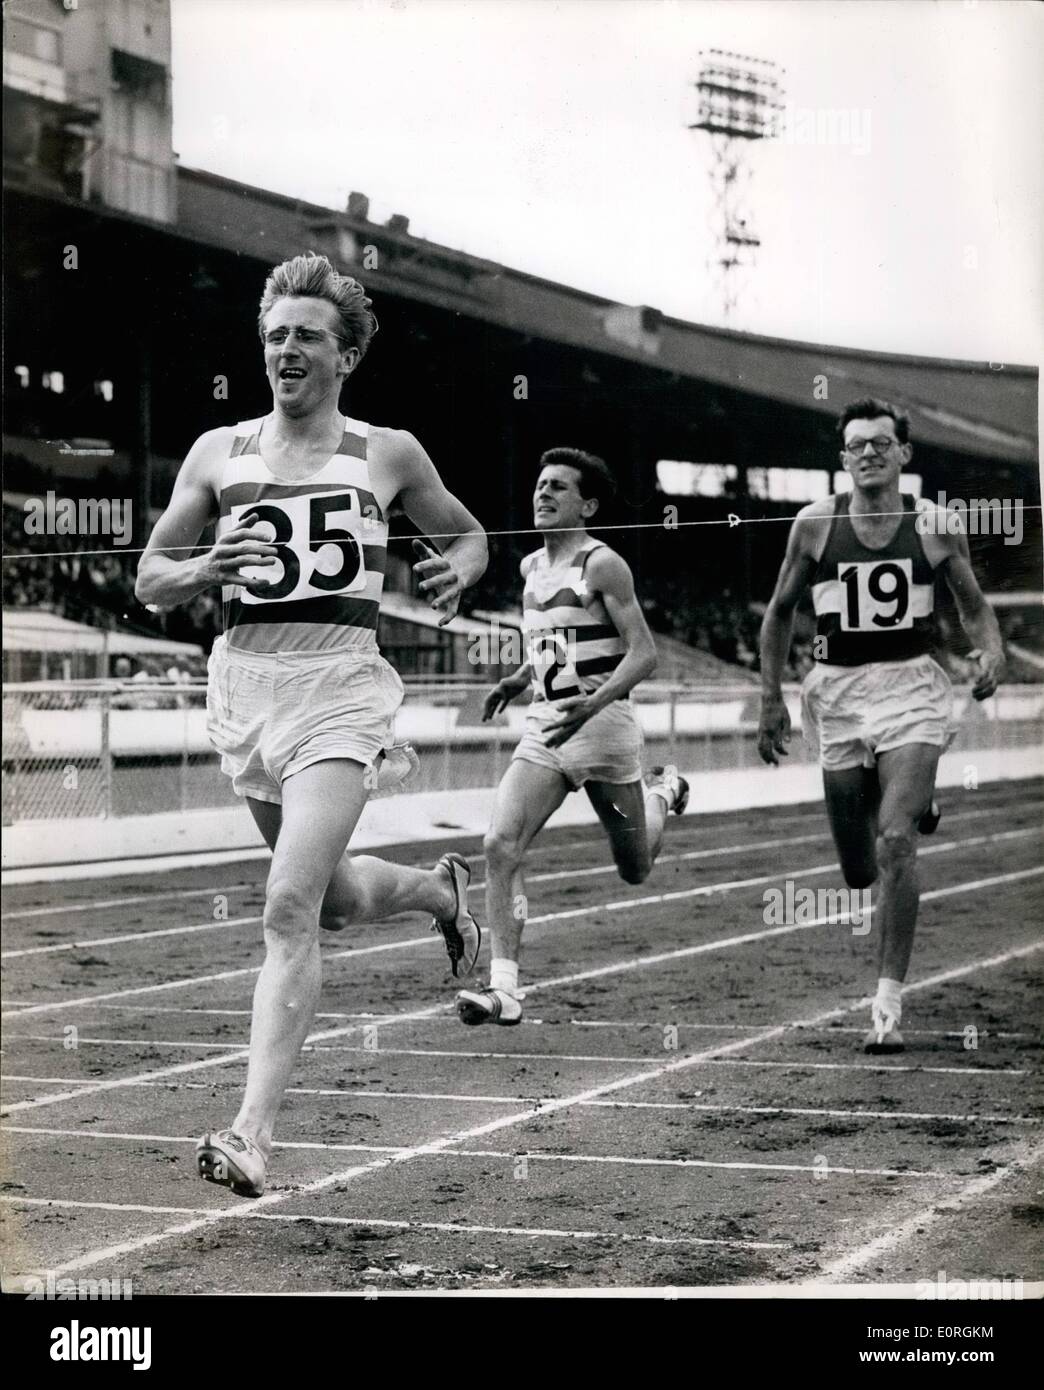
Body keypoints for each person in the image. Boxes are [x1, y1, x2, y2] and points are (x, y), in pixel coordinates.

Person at [135, 253, 488, 1196]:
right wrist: (209, 566)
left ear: (346, 356)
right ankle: (443, 897)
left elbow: (465, 532)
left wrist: (462, 570)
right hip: (247, 690)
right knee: (327, 899)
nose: (287, 350)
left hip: (340, 689)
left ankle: (252, 1132)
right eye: (276, 336)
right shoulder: (219, 452)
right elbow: (149, 578)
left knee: (287, 907)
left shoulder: (388, 452)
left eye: (308, 337)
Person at [756, 398, 1005, 1053]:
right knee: (859, 871)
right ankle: (911, 800)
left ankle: (887, 1003)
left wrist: (992, 653)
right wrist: (770, 699)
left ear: (903, 454)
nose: (868, 452)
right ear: (843, 458)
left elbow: (973, 606)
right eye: (856, 444)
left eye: (881, 442)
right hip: (836, 695)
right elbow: (779, 614)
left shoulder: (934, 524)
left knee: (896, 842)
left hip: (912, 689)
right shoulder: (813, 526)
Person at [455, 448, 689, 1027]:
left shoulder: (603, 565)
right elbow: (549, 648)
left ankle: (664, 793)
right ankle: (505, 989)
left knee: (635, 867)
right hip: (547, 727)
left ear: (586, 504)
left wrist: (593, 702)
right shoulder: (530, 569)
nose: (544, 494)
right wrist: (515, 681)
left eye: (558, 487)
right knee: (499, 844)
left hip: (605, 729)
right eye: (539, 485)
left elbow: (645, 655)